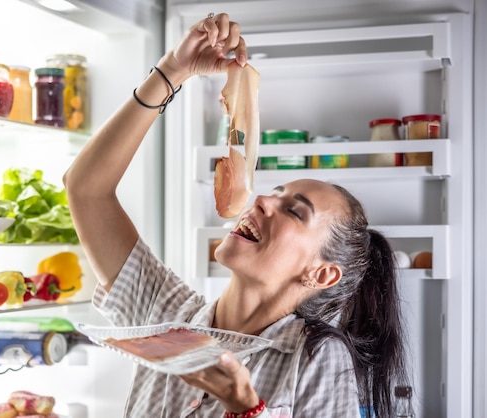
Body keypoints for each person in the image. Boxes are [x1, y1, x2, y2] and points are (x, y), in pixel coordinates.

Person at [64, 12, 409, 418]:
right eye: (275, 193)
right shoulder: (168, 316)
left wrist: (244, 406)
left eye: (295, 212)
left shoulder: (317, 357)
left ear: (321, 273)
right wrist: (173, 70)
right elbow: (86, 190)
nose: (263, 199)